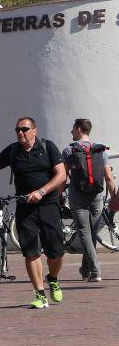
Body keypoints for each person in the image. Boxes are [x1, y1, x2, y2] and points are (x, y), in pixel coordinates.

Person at [0, 116, 67, 309]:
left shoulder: (47, 147)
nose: (20, 133)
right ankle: (40, 293)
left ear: (34, 130)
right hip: (25, 206)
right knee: (31, 251)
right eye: (17, 130)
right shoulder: (12, 151)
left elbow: (61, 174)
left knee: (57, 252)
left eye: (24, 129)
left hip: (48, 204)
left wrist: (41, 192)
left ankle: (52, 278)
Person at [62, 118, 116, 283]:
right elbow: (108, 176)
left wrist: (59, 195)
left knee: (84, 233)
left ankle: (95, 269)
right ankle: (86, 270)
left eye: (72, 129)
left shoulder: (68, 150)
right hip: (97, 195)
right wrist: (114, 197)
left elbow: (62, 176)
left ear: (78, 129)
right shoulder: (100, 150)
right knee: (90, 233)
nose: (71, 132)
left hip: (77, 195)